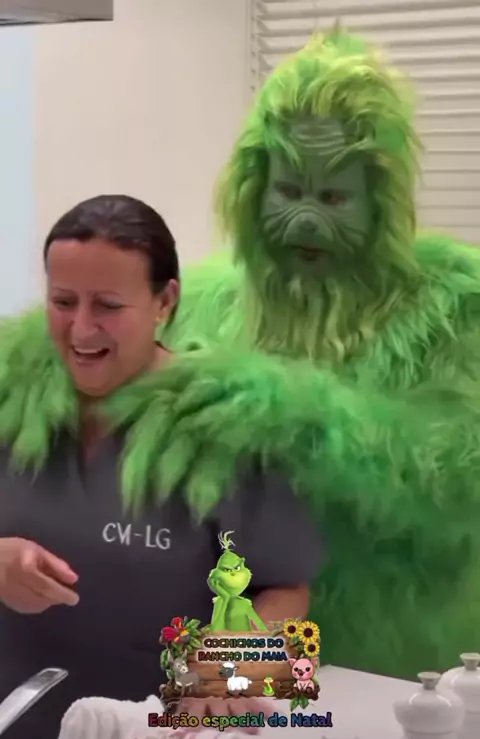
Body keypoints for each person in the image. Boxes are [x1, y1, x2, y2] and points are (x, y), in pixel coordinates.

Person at [120, 26, 480, 680]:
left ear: (381, 201)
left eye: (334, 198)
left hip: (399, 676)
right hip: (246, 661)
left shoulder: (456, 302)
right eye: (289, 193)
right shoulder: (201, 299)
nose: (307, 221)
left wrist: (297, 414)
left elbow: (462, 478)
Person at [0, 194, 321, 739]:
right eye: (63, 301)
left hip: (157, 736)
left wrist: (228, 669)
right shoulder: (11, 401)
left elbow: (289, 590)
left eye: (107, 305)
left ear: (164, 301)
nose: (81, 329)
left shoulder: (223, 428)